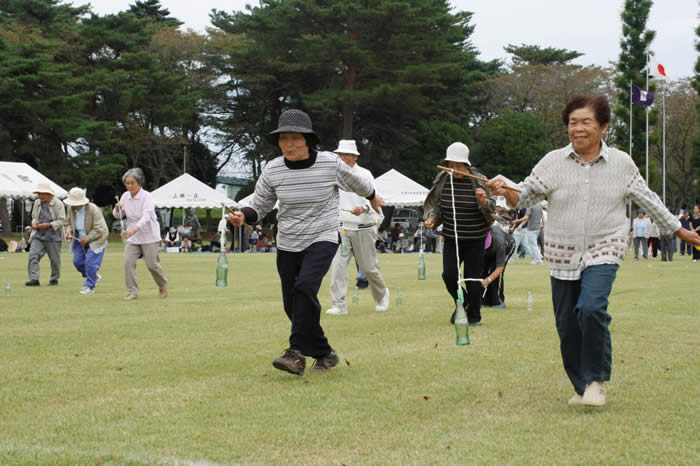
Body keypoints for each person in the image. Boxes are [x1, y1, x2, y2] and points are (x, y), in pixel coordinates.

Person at [486, 94, 700, 407]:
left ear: (603, 127)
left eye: (586, 122)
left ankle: (597, 381)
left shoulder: (621, 164)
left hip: (606, 245)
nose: (578, 128)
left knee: (590, 308)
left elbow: (648, 199)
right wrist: (506, 191)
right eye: (573, 123)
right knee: (567, 325)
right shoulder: (552, 162)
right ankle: (581, 384)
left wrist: (679, 230)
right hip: (562, 249)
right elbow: (525, 196)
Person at [226, 109, 384, 376]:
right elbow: (260, 203)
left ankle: (295, 353)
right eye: (283, 138)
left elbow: (357, 182)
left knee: (305, 287)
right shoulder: (273, 169)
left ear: (308, 140)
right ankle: (324, 352)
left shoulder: (329, 163)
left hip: (322, 235)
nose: (288, 144)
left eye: (294, 138)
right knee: (293, 303)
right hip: (288, 240)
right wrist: (244, 215)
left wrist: (373, 196)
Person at [424, 142, 496, 326]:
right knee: (449, 275)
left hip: (475, 239)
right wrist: (432, 219)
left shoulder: (479, 180)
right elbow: (438, 206)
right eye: (451, 164)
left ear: (466, 165)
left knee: (472, 278)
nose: (454, 169)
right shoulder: (443, 179)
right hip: (451, 237)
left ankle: (474, 316)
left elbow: (492, 213)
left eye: (458, 165)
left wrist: (483, 201)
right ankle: (462, 303)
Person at [326, 139, 390, 316]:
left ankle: (382, 295)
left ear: (354, 157)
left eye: (345, 155)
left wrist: (363, 208)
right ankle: (338, 304)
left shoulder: (365, 174)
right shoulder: (334, 175)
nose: (341, 158)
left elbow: (375, 199)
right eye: (339, 155)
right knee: (338, 266)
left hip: (364, 226)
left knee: (369, 267)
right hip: (342, 229)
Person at [113, 168, 169, 301]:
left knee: (152, 264)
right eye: (127, 183)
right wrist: (116, 209)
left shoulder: (147, 196)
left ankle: (163, 285)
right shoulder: (125, 196)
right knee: (128, 262)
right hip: (133, 238)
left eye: (132, 183)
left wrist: (134, 229)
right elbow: (118, 216)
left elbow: (147, 216)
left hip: (149, 236)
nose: (129, 186)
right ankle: (132, 292)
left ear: (139, 182)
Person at [64, 187, 109, 294]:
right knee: (77, 262)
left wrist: (87, 239)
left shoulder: (93, 209)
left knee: (90, 262)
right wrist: (68, 231)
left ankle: (89, 286)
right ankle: (94, 276)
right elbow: (68, 223)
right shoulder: (71, 209)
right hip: (80, 238)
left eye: (75, 203)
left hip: (97, 239)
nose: (73, 206)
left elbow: (100, 228)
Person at [25, 182, 67, 286]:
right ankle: (34, 279)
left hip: (54, 236)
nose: (40, 195)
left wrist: (49, 225)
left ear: (49, 193)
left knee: (55, 260)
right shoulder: (37, 202)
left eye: (43, 193)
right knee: (33, 256)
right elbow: (34, 217)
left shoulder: (58, 204)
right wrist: (34, 223)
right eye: (39, 193)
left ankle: (54, 279)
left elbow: (62, 221)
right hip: (38, 235)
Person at [481, 224, 515, 308]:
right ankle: (485, 301)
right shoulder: (479, 238)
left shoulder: (500, 243)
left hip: (508, 245)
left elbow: (499, 268)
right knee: (483, 270)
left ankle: (498, 301)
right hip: (489, 250)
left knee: (495, 273)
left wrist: (488, 280)